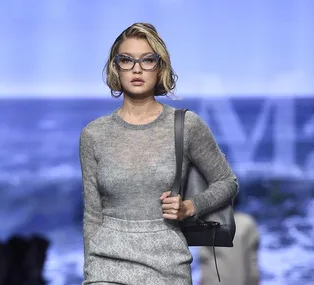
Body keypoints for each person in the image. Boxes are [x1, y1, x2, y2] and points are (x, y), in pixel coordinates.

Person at [79, 22, 238, 285]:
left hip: (168, 268)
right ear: (115, 68)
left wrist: (191, 207)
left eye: (148, 60)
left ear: (160, 67)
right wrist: (89, 273)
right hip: (105, 268)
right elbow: (93, 216)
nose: (137, 68)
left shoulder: (186, 125)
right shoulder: (94, 135)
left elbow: (227, 182)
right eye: (126, 60)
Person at [198, 195, 260, 285]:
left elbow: (205, 258)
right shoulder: (247, 223)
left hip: (217, 279)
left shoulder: (208, 223)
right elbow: (252, 258)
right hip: (238, 279)